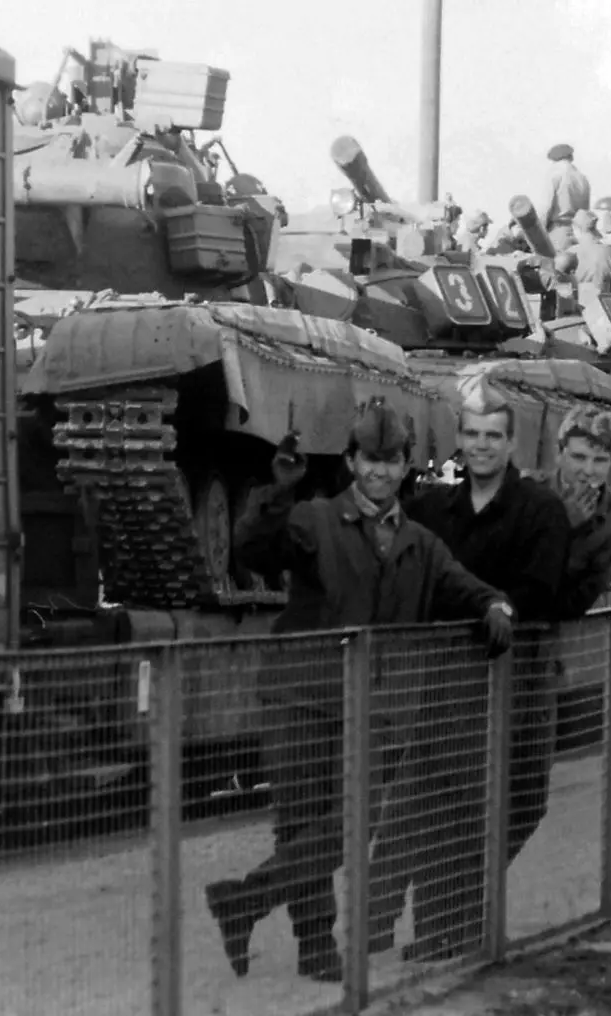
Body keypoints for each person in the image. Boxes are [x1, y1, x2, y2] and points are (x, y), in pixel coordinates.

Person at [202, 401, 514, 983]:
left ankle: (244, 901)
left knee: (355, 822)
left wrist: (497, 606)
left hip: (374, 706)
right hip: (301, 694)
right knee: (301, 818)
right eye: (369, 459)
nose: (379, 472)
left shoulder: (421, 545)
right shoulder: (314, 519)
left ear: (404, 468)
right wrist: (278, 490)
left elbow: (469, 589)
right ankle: (316, 948)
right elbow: (253, 550)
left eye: (390, 461)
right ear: (350, 461)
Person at [368, 379, 571, 962]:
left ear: (512, 443)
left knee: (505, 806)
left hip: (516, 681)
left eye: (494, 436)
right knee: (433, 806)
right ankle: (419, 929)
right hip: (445, 683)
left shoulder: (539, 510)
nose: (482, 446)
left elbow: (538, 588)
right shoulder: (435, 508)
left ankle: (445, 923)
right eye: (473, 434)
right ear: (458, 439)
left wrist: (472, 603)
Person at [536, 404, 611, 618]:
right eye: (579, 457)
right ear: (559, 453)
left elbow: (586, 591)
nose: (588, 471)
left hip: (563, 626)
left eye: (600, 460)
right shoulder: (528, 493)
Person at [541, 143, 591, 241]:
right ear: (571, 157)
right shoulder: (582, 178)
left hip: (558, 231)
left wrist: (539, 234)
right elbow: (585, 211)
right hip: (578, 234)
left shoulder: (554, 174)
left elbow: (545, 207)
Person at [569, 210, 611, 296]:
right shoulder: (610, 251)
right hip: (603, 303)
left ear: (575, 228)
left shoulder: (570, 253)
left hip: (577, 304)